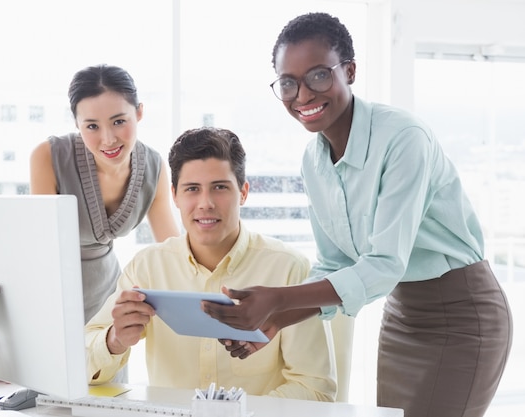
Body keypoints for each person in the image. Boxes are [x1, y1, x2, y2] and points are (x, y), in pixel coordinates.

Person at [202, 12, 513, 417]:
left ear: (349, 70)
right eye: (288, 83)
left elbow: (384, 264)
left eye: (318, 75)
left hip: (462, 314)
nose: (303, 96)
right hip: (402, 314)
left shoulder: (403, 139)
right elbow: (335, 264)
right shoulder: (313, 162)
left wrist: (277, 299)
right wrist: (274, 322)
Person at [85, 127, 337, 401]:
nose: (205, 203)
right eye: (192, 189)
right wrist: (114, 340)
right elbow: (81, 363)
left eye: (219, 187)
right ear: (175, 196)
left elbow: (316, 388)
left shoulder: (290, 269)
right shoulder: (147, 267)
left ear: (243, 192)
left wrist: (232, 413)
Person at [30, 64, 180, 323]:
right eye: (92, 126)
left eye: (119, 121)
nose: (108, 139)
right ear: (76, 123)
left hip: (108, 298)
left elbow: (171, 252)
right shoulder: (48, 157)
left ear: (140, 112)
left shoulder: (153, 167)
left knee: (108, 361)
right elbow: (42, 249)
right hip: (49, 296)